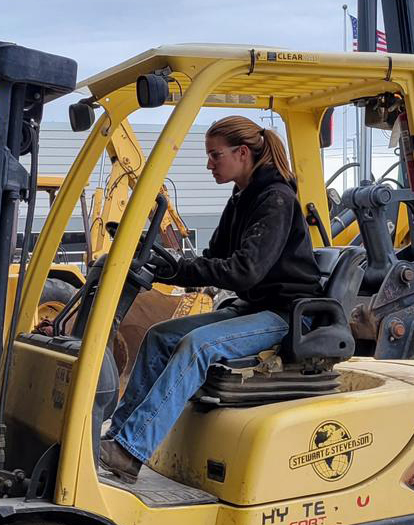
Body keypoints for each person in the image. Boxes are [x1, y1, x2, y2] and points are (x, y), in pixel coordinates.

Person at [99, 115, 321, 483]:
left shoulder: (276, 199)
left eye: (215, 155)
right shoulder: (241, 198)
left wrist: (185, 271)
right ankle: (117, 439)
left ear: (243, 152)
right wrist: (170, 265)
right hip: (255, 307)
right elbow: (215, 255)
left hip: (288, 313)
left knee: (197, 345)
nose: (209, 164)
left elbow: (244, 271)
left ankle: (131, 448)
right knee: (159, 337)